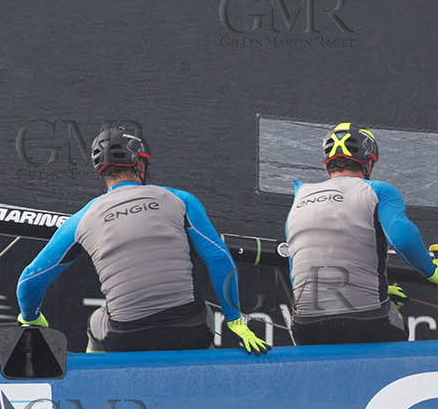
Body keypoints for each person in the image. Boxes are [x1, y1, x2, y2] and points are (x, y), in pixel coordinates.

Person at [16, 125, 269, 354]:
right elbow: (219, 259)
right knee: (199, 316)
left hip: (126, 336)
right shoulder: (179, 199)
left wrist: (32, 319)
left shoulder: (82, 219)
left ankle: (97, 389)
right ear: (140, 163)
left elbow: (28, 282)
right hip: (189, 330)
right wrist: (235, 320)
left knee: (97, 321)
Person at [283, 123, 438, 345]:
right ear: (369, 163)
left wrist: (380, 289)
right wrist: (432, 271)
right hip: (369, 320)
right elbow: (402, 239)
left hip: (306, 325)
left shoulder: (299, 196)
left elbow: (298, 267)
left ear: (327, 166)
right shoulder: (379, 190)